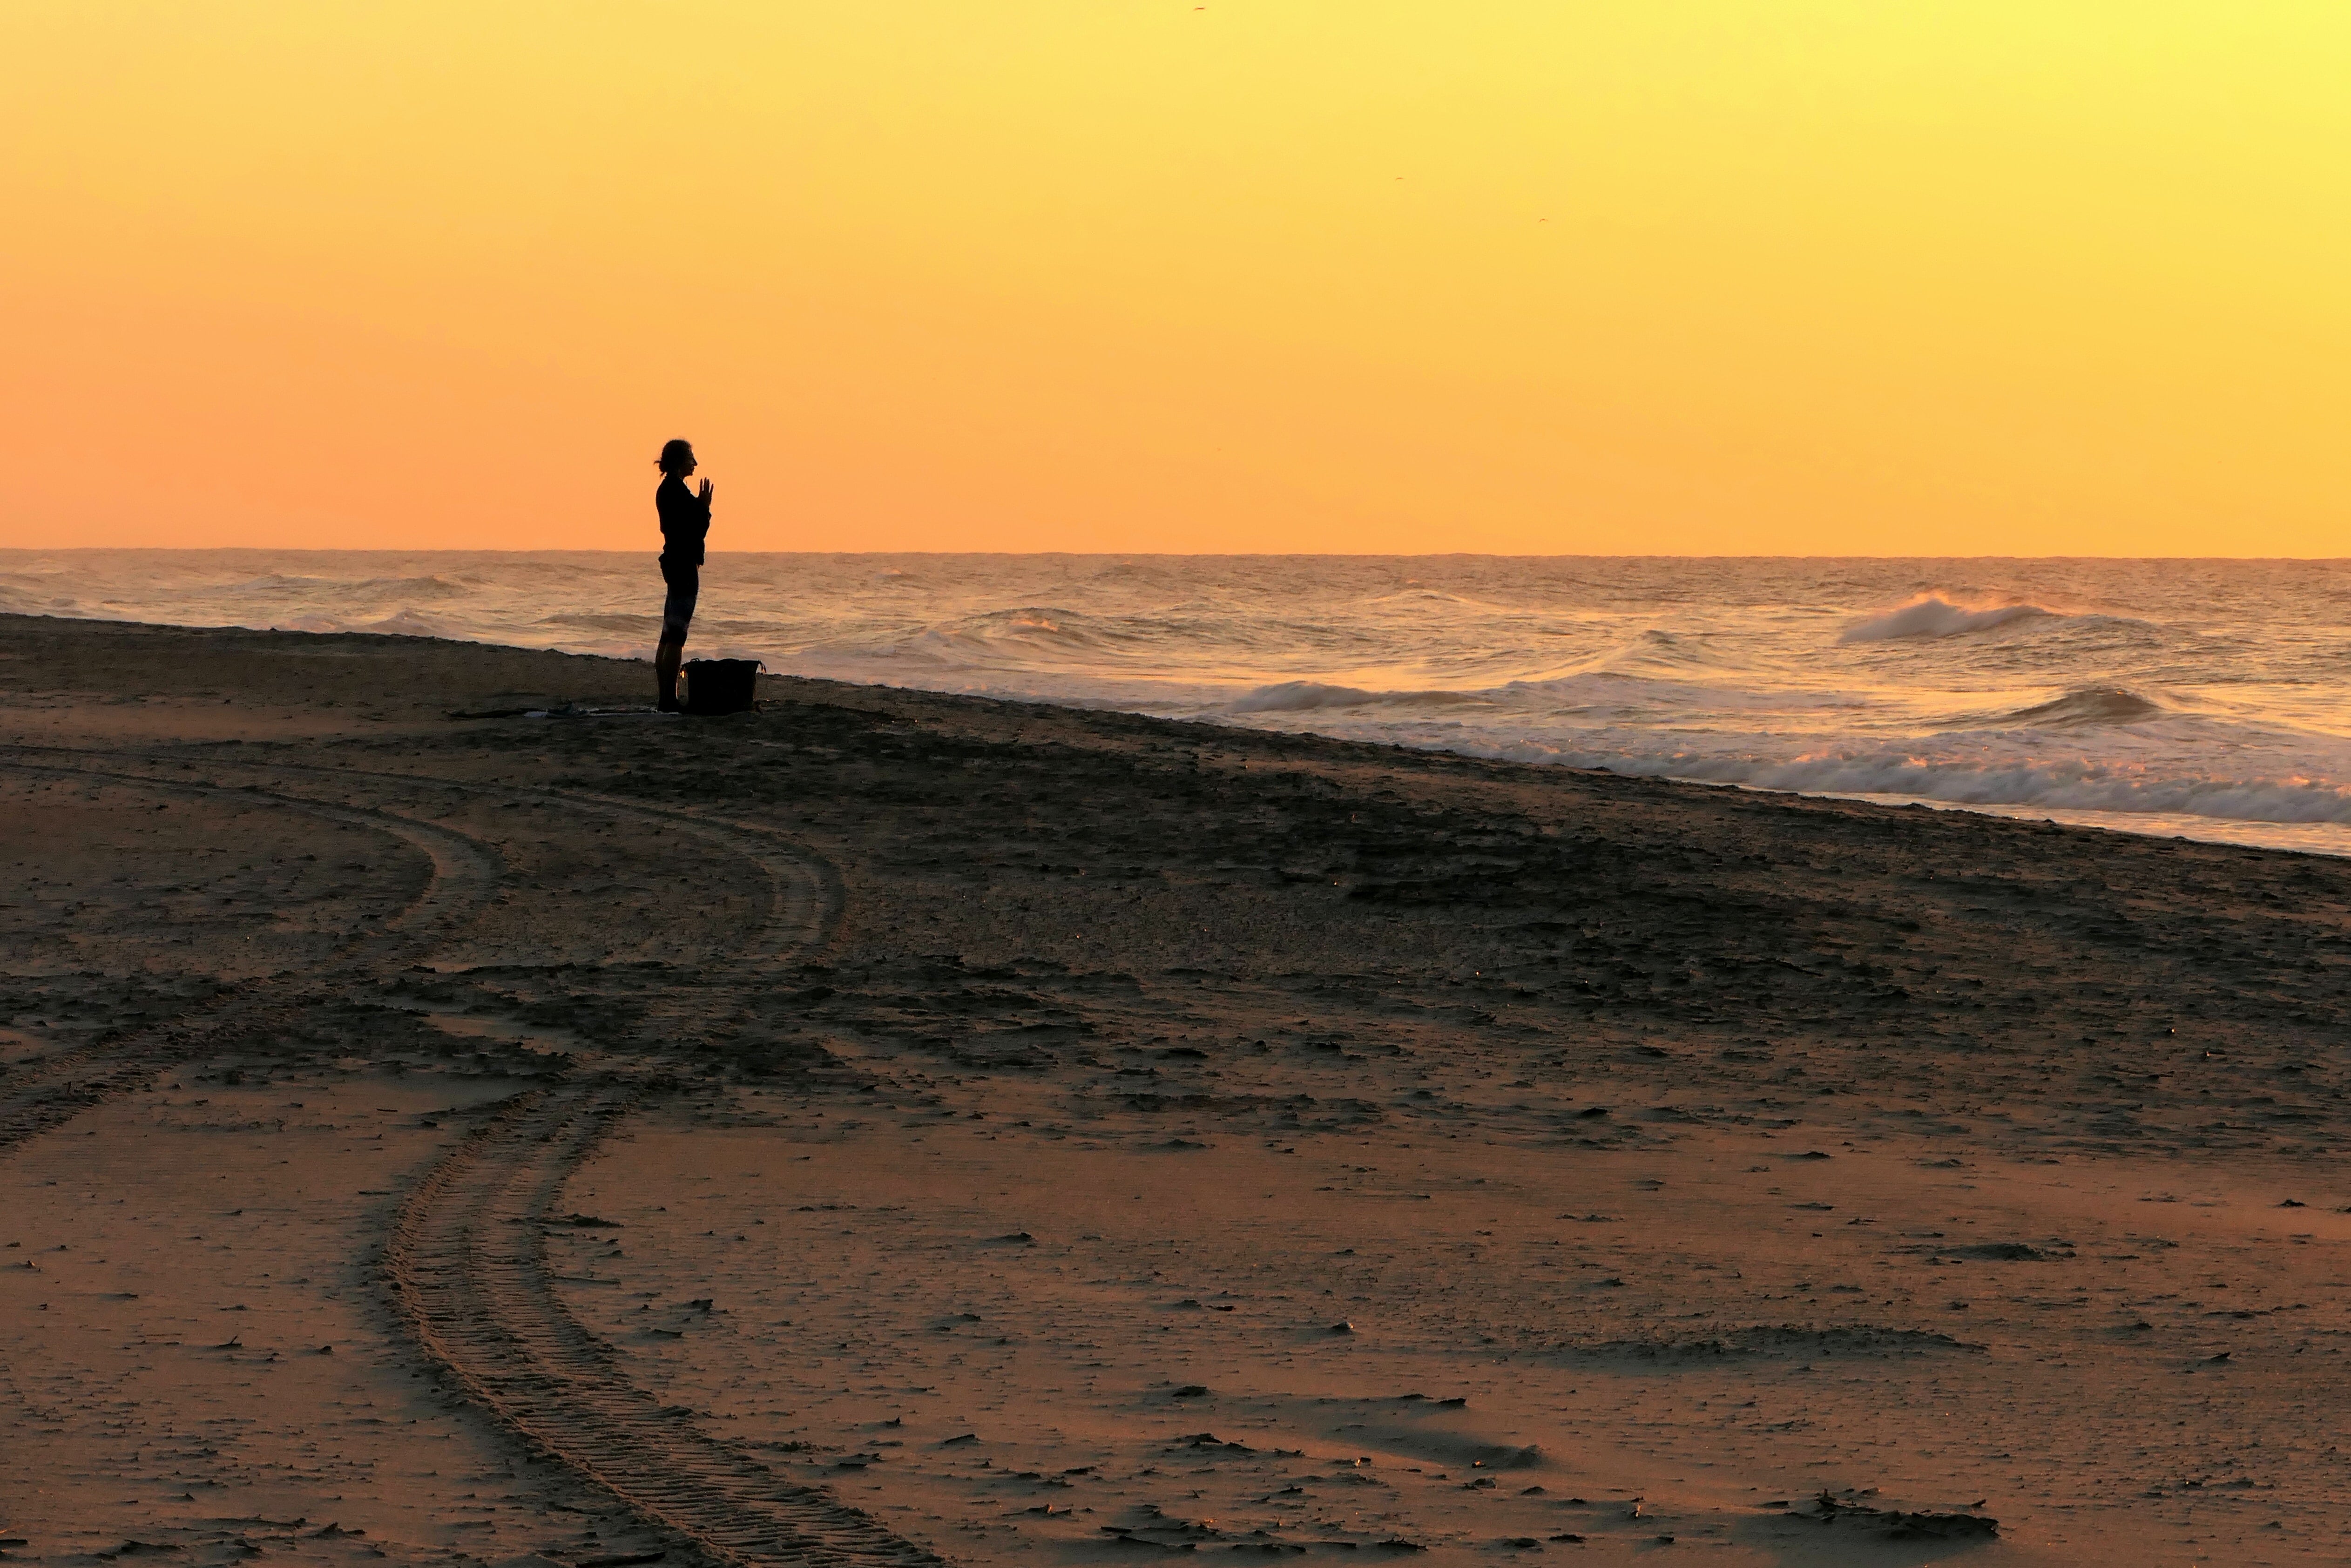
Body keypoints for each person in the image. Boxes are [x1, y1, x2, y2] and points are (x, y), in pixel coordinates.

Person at [653, 438, 713, 711]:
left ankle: (666, 697)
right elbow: (695, 529)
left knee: (669, 633)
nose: (695, 463)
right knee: (676, 636)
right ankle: (669, 699)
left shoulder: (669, 490)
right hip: (683, 565)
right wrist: (704, 506)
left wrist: (699, 505)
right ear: (680, 462)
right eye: (691, 458)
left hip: (674, 563)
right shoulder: (675, 490)